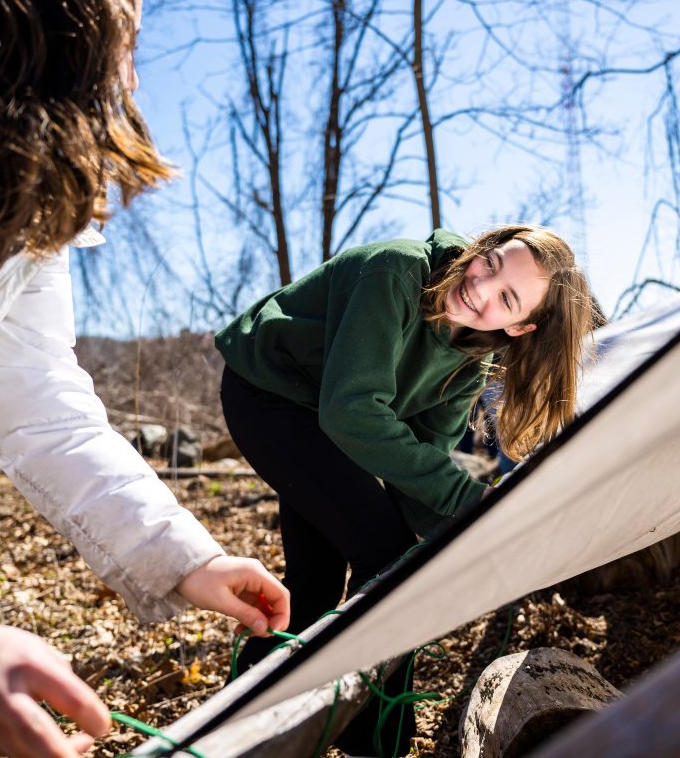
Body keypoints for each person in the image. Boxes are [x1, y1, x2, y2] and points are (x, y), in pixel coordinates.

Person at [0, 0, 290, 757]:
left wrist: (184, 556)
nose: (133, 73)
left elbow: (41, 401)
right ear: (69, 9)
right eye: (130, 34)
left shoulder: (18, 180)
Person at [217, 224, 598, 755]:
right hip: (271, 393)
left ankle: (248, 714)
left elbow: (421, 466)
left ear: (520, 327)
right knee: (386, 553)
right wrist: (469, 501)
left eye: (506, 297)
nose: (481, 287)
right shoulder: (395, 272)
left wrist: (473, 535)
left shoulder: (471, 359)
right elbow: (352, 412)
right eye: (489, 262)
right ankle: (373, 740)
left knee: (321, 577)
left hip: (324, 413)